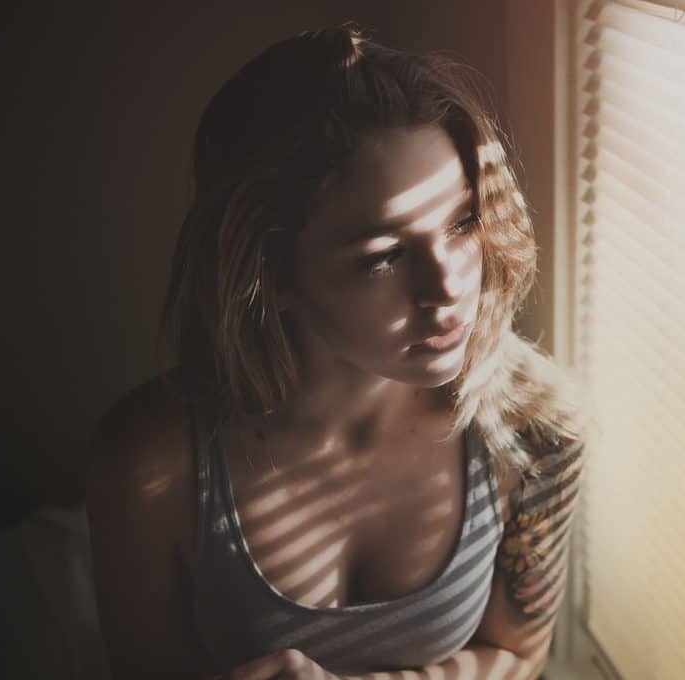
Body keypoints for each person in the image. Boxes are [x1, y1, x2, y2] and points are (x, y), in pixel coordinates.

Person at [85, 23, 586, 680]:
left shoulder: (535, 425)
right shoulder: (153, 464)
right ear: (272, 274)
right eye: (384, 257)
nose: (450, 287)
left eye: (463, 222)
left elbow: (520, 653)